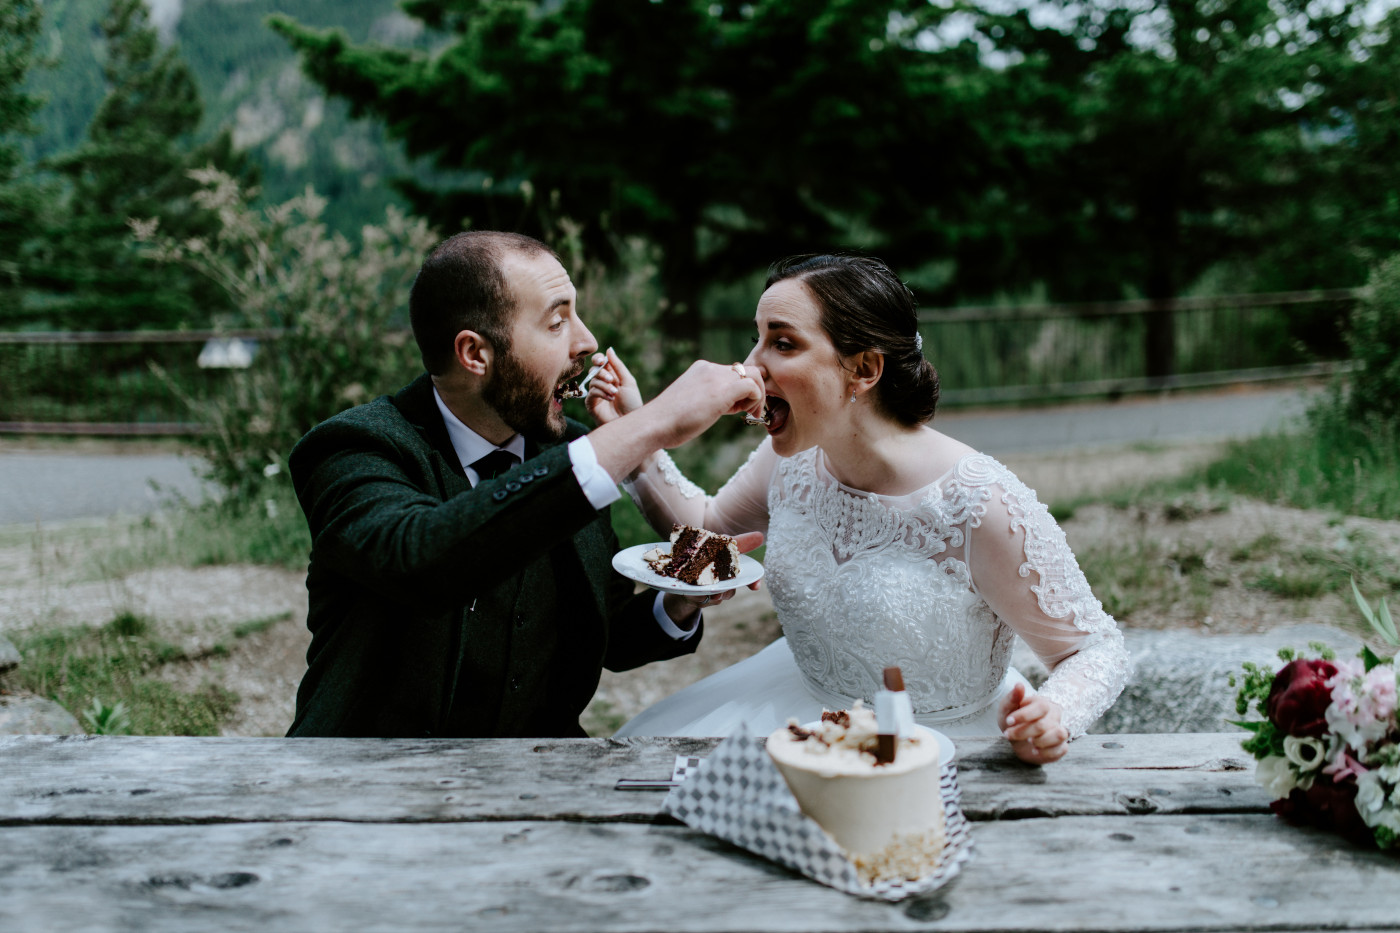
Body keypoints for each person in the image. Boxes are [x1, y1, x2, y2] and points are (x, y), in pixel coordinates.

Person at [586, 254, 1130, 762]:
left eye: (783, 344)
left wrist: (1054, 715)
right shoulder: (792, 461)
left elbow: (1093, 649)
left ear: (864, 369)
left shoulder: (978, 504)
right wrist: (635, 431)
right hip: (793, 717)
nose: (749, 370)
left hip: (936, 749)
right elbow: (704, 531)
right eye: (756, 342)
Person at [285, 231, 764, 738]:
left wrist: (682, 596)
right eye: (558, 322)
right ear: (475, 353)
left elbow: (608, 634)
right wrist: (650, 425)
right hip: (362, 784)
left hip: (536, 783)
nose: (587, 342)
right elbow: (420, 559)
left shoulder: (567, 453)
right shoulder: (352, 448)